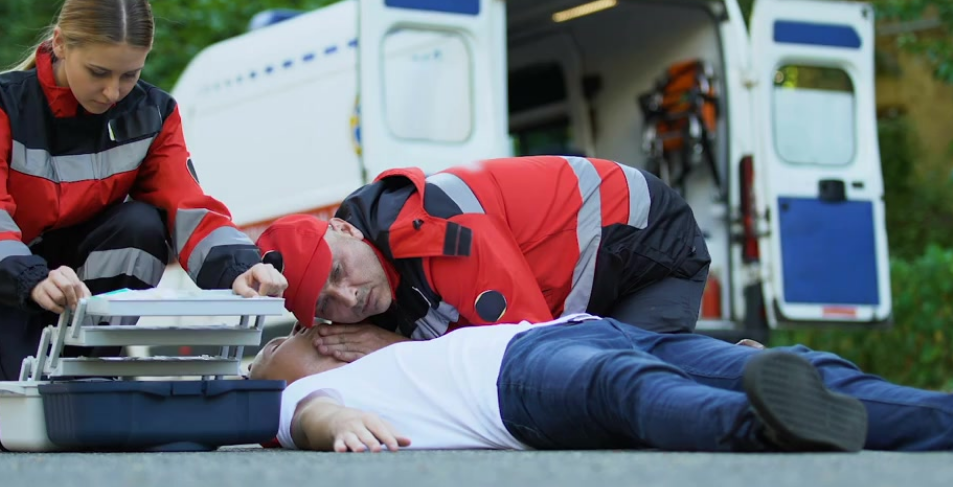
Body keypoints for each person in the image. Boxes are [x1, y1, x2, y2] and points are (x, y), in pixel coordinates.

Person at [0, 0, 287, 453]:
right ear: (60, 44)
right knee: (16, 433)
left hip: (74, 270)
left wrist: (243, 267)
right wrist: (29, 277)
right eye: (99, 72)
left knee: (141, 224)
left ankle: (93, 362)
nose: (113, 92)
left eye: (129, 75)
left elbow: (189, 207)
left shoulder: (155, 114)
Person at [247, 314, 953, 453]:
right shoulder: (292, 400)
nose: (305, 333)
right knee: (624, 387)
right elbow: (308, 415)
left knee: (783, 364)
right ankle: (765, 427)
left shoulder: (381, 350)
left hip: (573, 328)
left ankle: (940, 418)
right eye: (281, 343)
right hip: (514, 385)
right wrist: (332, 424)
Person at [255, 155, 711, 362]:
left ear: (345, 228)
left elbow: (529, 352)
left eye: (338, 272)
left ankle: (743, 367)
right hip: (588, 280)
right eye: (325, 304)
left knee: (615, 385)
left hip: (648, 243)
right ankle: (722, 362)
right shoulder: (377, 274)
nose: (349, 297)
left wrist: (398, 350)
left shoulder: (437, 230)